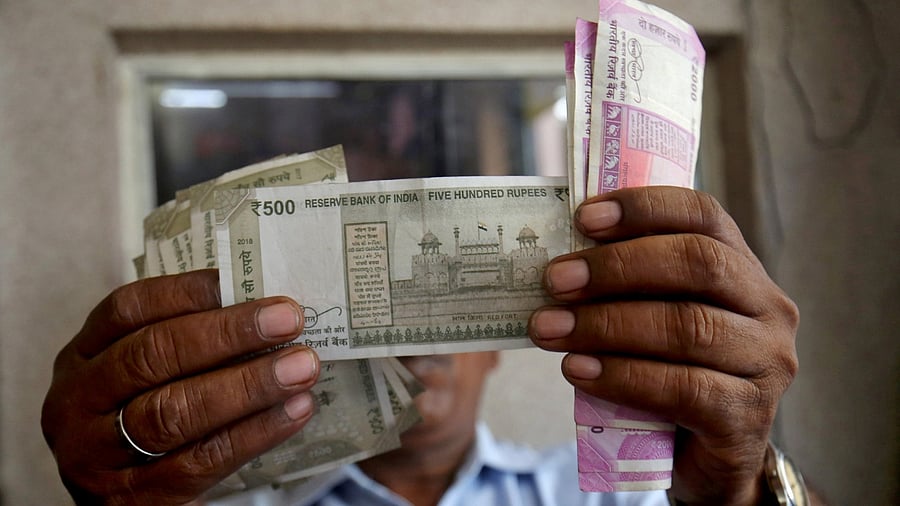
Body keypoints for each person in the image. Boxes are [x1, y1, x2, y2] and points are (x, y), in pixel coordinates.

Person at [41, 187, 810, 505]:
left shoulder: (608, 494)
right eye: (393, 319)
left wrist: (741, 490)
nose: (418, 349)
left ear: (499, 344)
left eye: (448, 322)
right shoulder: (230, 502)